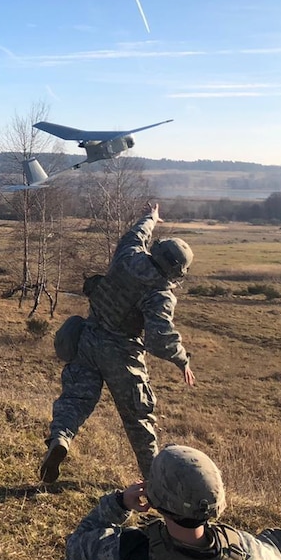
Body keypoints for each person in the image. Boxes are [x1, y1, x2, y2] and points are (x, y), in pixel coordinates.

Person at [41, 202, 195, 483]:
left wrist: (151, 217)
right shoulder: (160, 293)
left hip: (87, 338)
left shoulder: (129, 254)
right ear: (176, 272)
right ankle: (154, 483)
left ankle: (61, 438)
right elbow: (159, 339)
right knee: (138, 420)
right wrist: (182, 358)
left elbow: (137, 232)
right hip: (122, 355)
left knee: (75, 399)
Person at [66, 444, 281, 560]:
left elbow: (76, 548)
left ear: (156, 500)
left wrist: (119, 503)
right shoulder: (250, 553)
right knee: (279, 540)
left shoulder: (130, 553)